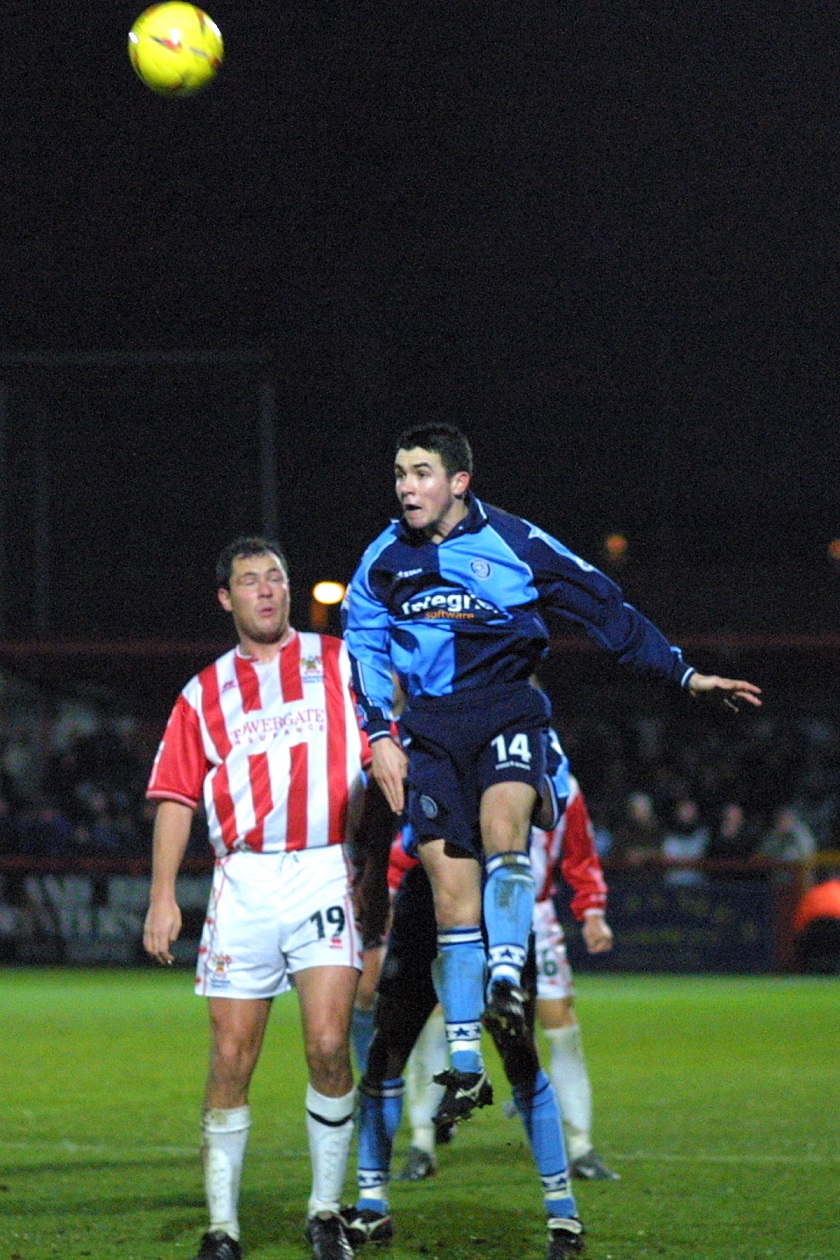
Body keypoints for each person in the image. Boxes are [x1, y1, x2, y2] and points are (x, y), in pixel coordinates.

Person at [343, 421, 762, 1125]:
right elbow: (362, 646)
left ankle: (508, 977)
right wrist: (381, 734)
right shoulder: (382, 559)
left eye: (421, 473)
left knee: (505, 827)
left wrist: (684, 674)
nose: (406, 487)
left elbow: (604, 608)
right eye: (399, 474)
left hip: (505, 708)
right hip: (431, 731)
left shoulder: (518, 543)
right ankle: (466, 1062)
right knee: (451, 899)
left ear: (458, 482)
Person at [143, 537, 372, 1260]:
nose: (267, 590)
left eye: (275, 577)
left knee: (330, 1044)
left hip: (324, 869)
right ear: (226, 598)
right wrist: (162, 895)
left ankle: (325, 1212)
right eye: (250, 581)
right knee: (232, 1055)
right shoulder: (203, 693)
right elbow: (177, 796)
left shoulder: (341, 662)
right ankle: (223, 1227)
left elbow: (385, 748)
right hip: (243, 881)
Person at [400, 751, 619, 1184]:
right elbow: (414, 845)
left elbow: (580, 853)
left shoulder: (560, 779)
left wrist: (593, 912)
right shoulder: (462, 770)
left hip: (534, 913)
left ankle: (580, 1145)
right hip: (468, 913)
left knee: (559, 1021)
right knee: (438, 1016)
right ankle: (422, 1143)